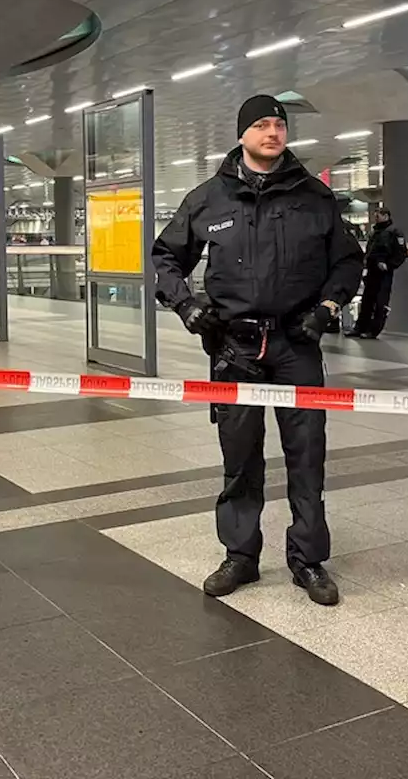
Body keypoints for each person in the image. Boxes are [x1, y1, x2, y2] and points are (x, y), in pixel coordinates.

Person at [152, 95, 364, 606]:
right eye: (262, 125)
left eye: (279, 125)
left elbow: (348, 263)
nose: (273, 132)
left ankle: (308, 560)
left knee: (306, 454)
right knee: (240, 457)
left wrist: (329, 308)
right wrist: (186, 306)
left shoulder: (314, 198)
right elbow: (165, 257)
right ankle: (241, 556)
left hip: (297, 344)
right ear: (243, 134)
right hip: (235, 348)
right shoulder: (209, 198)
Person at [348, 206, 408, 339]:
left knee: (380, 302)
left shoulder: (394, 232)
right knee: (366, 301)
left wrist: (389, 265)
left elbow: (401, 252)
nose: (376, 218)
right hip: (371, 271)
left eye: (378, 216)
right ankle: (360, 328)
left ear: (386, 216)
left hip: (383, 273)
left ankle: (373, 330)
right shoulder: (375, 232)